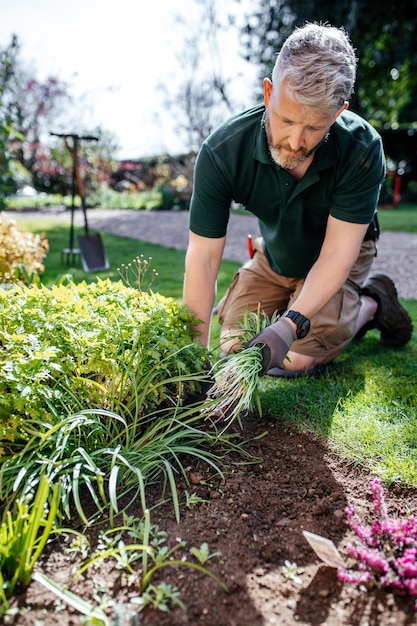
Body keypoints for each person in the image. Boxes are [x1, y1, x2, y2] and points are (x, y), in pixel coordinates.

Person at [183, 22, 412, 377]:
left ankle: (370, 303)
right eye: (285, 119)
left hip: (339, 256)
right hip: (276, 257)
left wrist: (289, 326)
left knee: (295, 360)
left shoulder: (363, 149)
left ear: (337, 113)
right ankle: (313, 302)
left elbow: (337, 253)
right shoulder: (222, 152)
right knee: (234, 346)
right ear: (268, 93)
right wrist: (193, 359)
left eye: (313, 128)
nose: (293, 141)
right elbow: (202, 259)